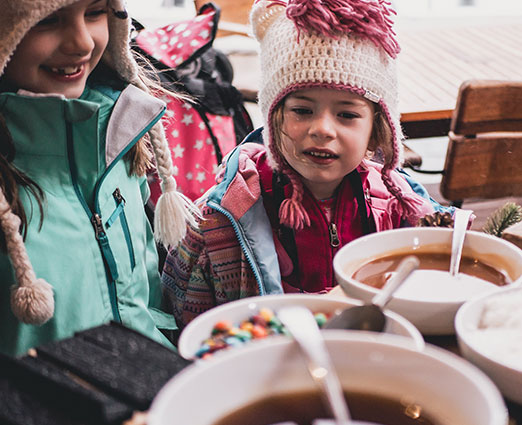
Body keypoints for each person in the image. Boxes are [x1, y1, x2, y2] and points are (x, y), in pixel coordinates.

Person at [161, 0, 451, 328]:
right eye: (302, 110)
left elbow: (449, 262)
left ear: (375, 131)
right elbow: (186, 324)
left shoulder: (401, 209)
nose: (323, 129)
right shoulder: (219, 223)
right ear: (273, 117)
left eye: (347, 115)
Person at [0, 0, 199, 356]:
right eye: (47, 20)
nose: (83, 42)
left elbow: (146, 296)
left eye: (94, 13)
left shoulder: (116, 136)